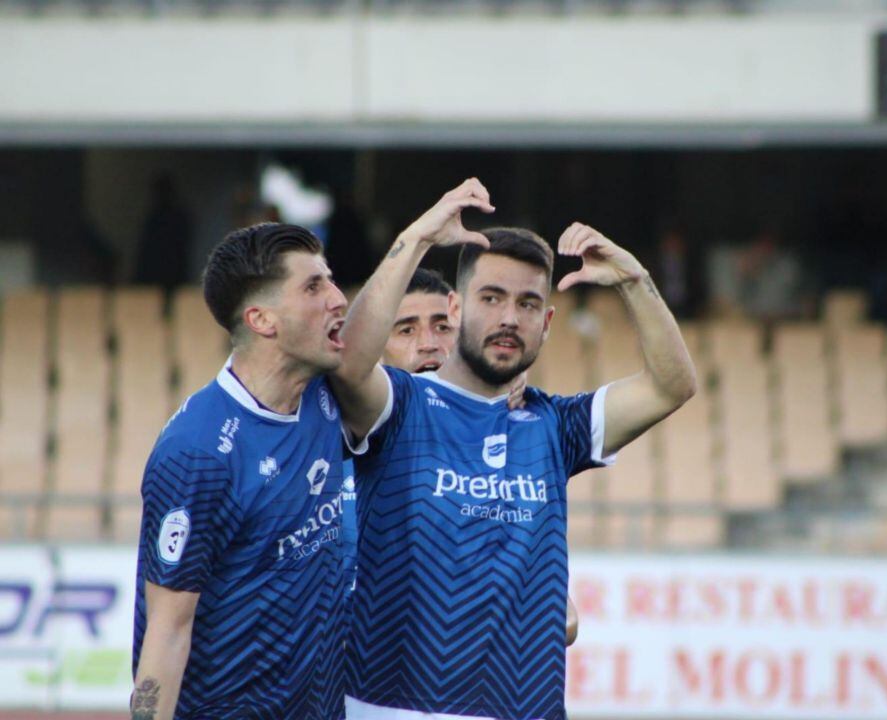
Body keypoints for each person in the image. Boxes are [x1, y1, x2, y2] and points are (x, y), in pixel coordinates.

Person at [332, 178, 696, 720]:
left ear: (547, 325)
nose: (509, 318)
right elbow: (348, 366)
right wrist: (419, 238)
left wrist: (635, 281)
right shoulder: (401, 404)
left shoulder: (553, 424)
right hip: (391, 707)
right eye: (492, 297)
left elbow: (671, 386)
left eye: (529, 304)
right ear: (455, 308)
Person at [130, 223, 356, 719]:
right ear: (262, 319)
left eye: (332, 280)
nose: (339, 299)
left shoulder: (322, 390)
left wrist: (420, 237)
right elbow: (167, 633)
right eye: (314, 286)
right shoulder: (199, 455)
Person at [382, 266, 580, 646]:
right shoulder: (335, 438)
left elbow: (565, 620)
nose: (427, 343)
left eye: (443, 327)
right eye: (405, 330)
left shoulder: (505, 446)